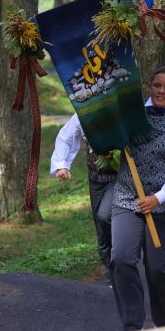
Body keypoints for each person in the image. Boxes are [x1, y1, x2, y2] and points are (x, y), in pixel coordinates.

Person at [110, 64, 165, 331]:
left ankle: (161, 321)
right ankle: (132, 324)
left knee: (157, 270)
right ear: (149, 85)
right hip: (127, 198)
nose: (161, 91)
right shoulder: (131, 115)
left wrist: (159, 197)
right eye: (157, 85)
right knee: (122, 259)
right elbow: (95, 126)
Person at [50, 114, 117, 283]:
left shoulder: (117, 109)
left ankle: (121, 261)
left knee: (105, 216)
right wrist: (61, 165)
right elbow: (65, 137)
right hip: (95, 180)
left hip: (118, 178)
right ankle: (110, 271)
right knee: (100, 227)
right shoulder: (85, 112)